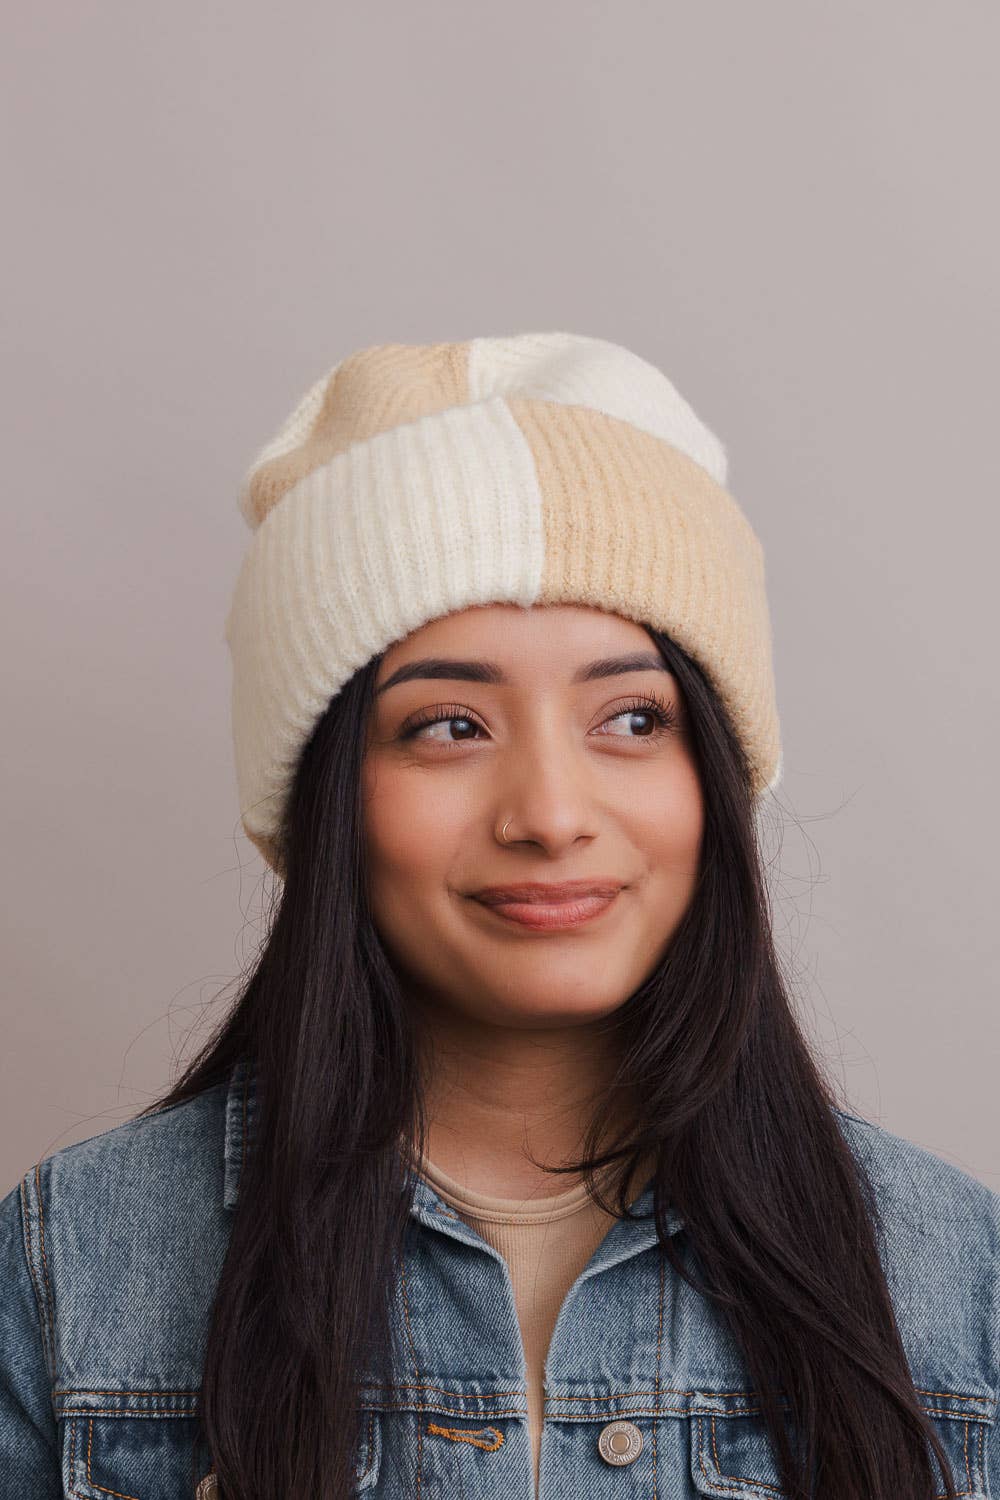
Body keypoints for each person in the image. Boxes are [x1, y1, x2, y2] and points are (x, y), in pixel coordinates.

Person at [1, 332, 996, 1500]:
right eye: (449, 727)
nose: (551, 813)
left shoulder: (952, 1276)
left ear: (715, 779)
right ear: (325, 797)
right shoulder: (73, 1262)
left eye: (631, 718)